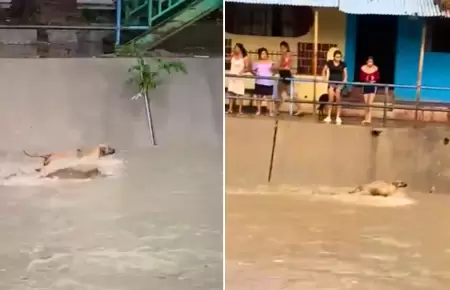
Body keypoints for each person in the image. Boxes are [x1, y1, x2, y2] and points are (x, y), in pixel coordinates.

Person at [276, 41, 302, 116]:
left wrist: (279, 66)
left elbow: (285, 65)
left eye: (283, 48)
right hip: (282, 75)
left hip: (287, 75)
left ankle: (300, 108)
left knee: (291, 94)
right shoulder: (282, 56)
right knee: (278, 94)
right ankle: (277, 109)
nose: (282, 50)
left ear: (287, 48)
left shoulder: (288, 55)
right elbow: (280, 65)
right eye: (281, 48)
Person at [322, 50, 347, 125]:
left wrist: (345, 80)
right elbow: (324, 70)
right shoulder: (329, 62)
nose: (338, 58)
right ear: (334, 57)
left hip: (340, 83)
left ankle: (338, 117)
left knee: (338, 99)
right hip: (331, 82)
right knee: (331, 99)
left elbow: (345, 74)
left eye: (339, 57)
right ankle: (328, 116)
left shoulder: (343, 64)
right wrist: (324, 78)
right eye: (337, 57)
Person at [226, 43, 249, 115]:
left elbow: (247, 68)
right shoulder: (233, 55)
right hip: (232, 75)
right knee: (231, 92)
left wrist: (241, 72)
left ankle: (240, 110)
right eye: (235, 47)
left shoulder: (245, 57)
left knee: (240, 94)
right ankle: (230, 109)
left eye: (237, 48)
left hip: (239, 77)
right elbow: (228, 60)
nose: (235, 49)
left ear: (240, 48)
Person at [252, 47, 275, 116]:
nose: (264, 55)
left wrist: (273, 74)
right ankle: (259, 110)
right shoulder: (256, 62)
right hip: (259, 82)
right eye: (262, 54)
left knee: (269, 97)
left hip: (269, 82)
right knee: (259, 97)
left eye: (265, 53)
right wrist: (256, 74)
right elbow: (253, 70)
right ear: (259, 55)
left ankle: (270, 111)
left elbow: (275, 70)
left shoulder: (271, 62)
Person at [359, 56, 380, 124]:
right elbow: (361, 78)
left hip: (373, 86)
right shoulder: (363, 68)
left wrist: (373, 79)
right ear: (367, 62)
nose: (370, 63)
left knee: (370, 103)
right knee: (366, 103)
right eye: (369, 61)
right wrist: (367, 79)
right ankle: (366, 118)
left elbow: (377, 78)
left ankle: (369, 119)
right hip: (365, 86)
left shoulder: (375, 68)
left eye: (371, 62)